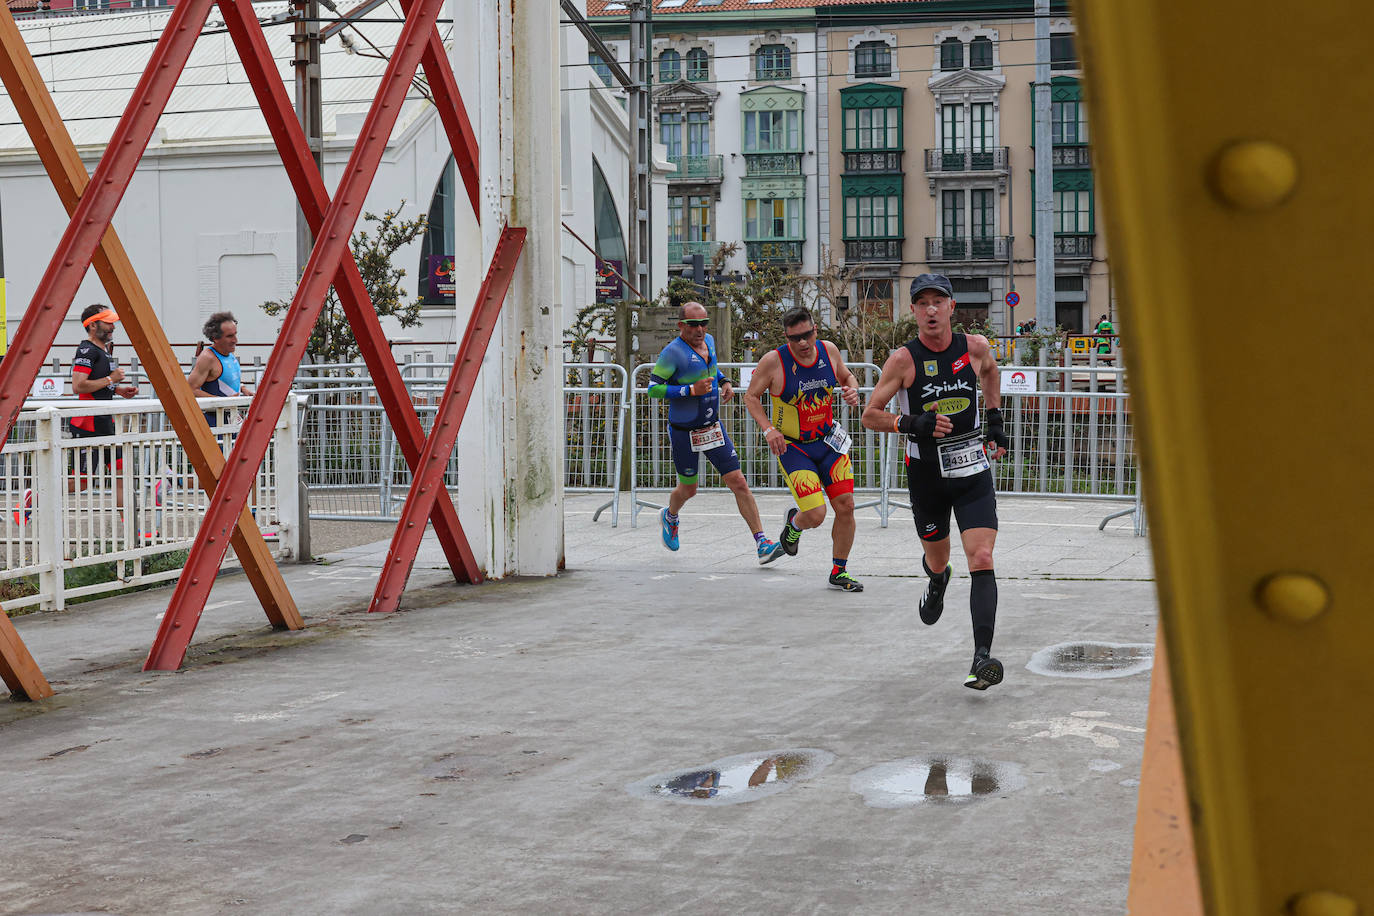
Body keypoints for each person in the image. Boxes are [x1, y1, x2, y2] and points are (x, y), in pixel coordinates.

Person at [860, 274, 1010, 690]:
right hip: (926, 476)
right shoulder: (903, 360)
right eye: (921, 302)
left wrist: (994, 419)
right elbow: (870, 414)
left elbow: (992, 373)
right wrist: (909, 423)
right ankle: (937, 580)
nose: (930, 310)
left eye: (937, 301)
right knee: (940, 559)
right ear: (913, 311)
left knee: (981, 557)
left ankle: (982, 658)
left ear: (951, 308)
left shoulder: (974, 348)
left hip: (971, 470)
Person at [648, 302, 783, 564]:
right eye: (693, 324)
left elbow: (710, 369)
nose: (699, 329)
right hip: (684, 431)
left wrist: (724, 381)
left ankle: (762, 543)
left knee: (739, 482)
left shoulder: (708, 340)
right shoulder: (672, 353)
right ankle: (671, 516)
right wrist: (689, 391)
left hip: (712, 426)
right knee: (689, 489)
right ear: (681, 326)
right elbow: (653, 388)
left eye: (703, 323)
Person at [743, 306, 864, 592]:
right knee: (817, 515)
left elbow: (847, 377)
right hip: (794, 448)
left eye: (807, 335)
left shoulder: (829, 351)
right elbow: (751, 397)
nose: (802, 343)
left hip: (828, 442)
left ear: (815, 331)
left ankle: (839, 571)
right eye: (794, 338)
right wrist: (769, 429)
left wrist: (852, 389)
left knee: (846, 506)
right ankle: (794, 525)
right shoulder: (774, 362)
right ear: (786, 337)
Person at [69, 304, 140, 506]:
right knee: (81, 482)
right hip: (88, 424)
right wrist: (111, 379)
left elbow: (96, 384)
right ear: (92, 325)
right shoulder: (87, 350)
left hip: (103, 421)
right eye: (108, 323)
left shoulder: (102, 350)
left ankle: (131, 533)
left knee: (122, 474)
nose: (113, 327)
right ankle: (34, 499)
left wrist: (118, 390)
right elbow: (78, 385)